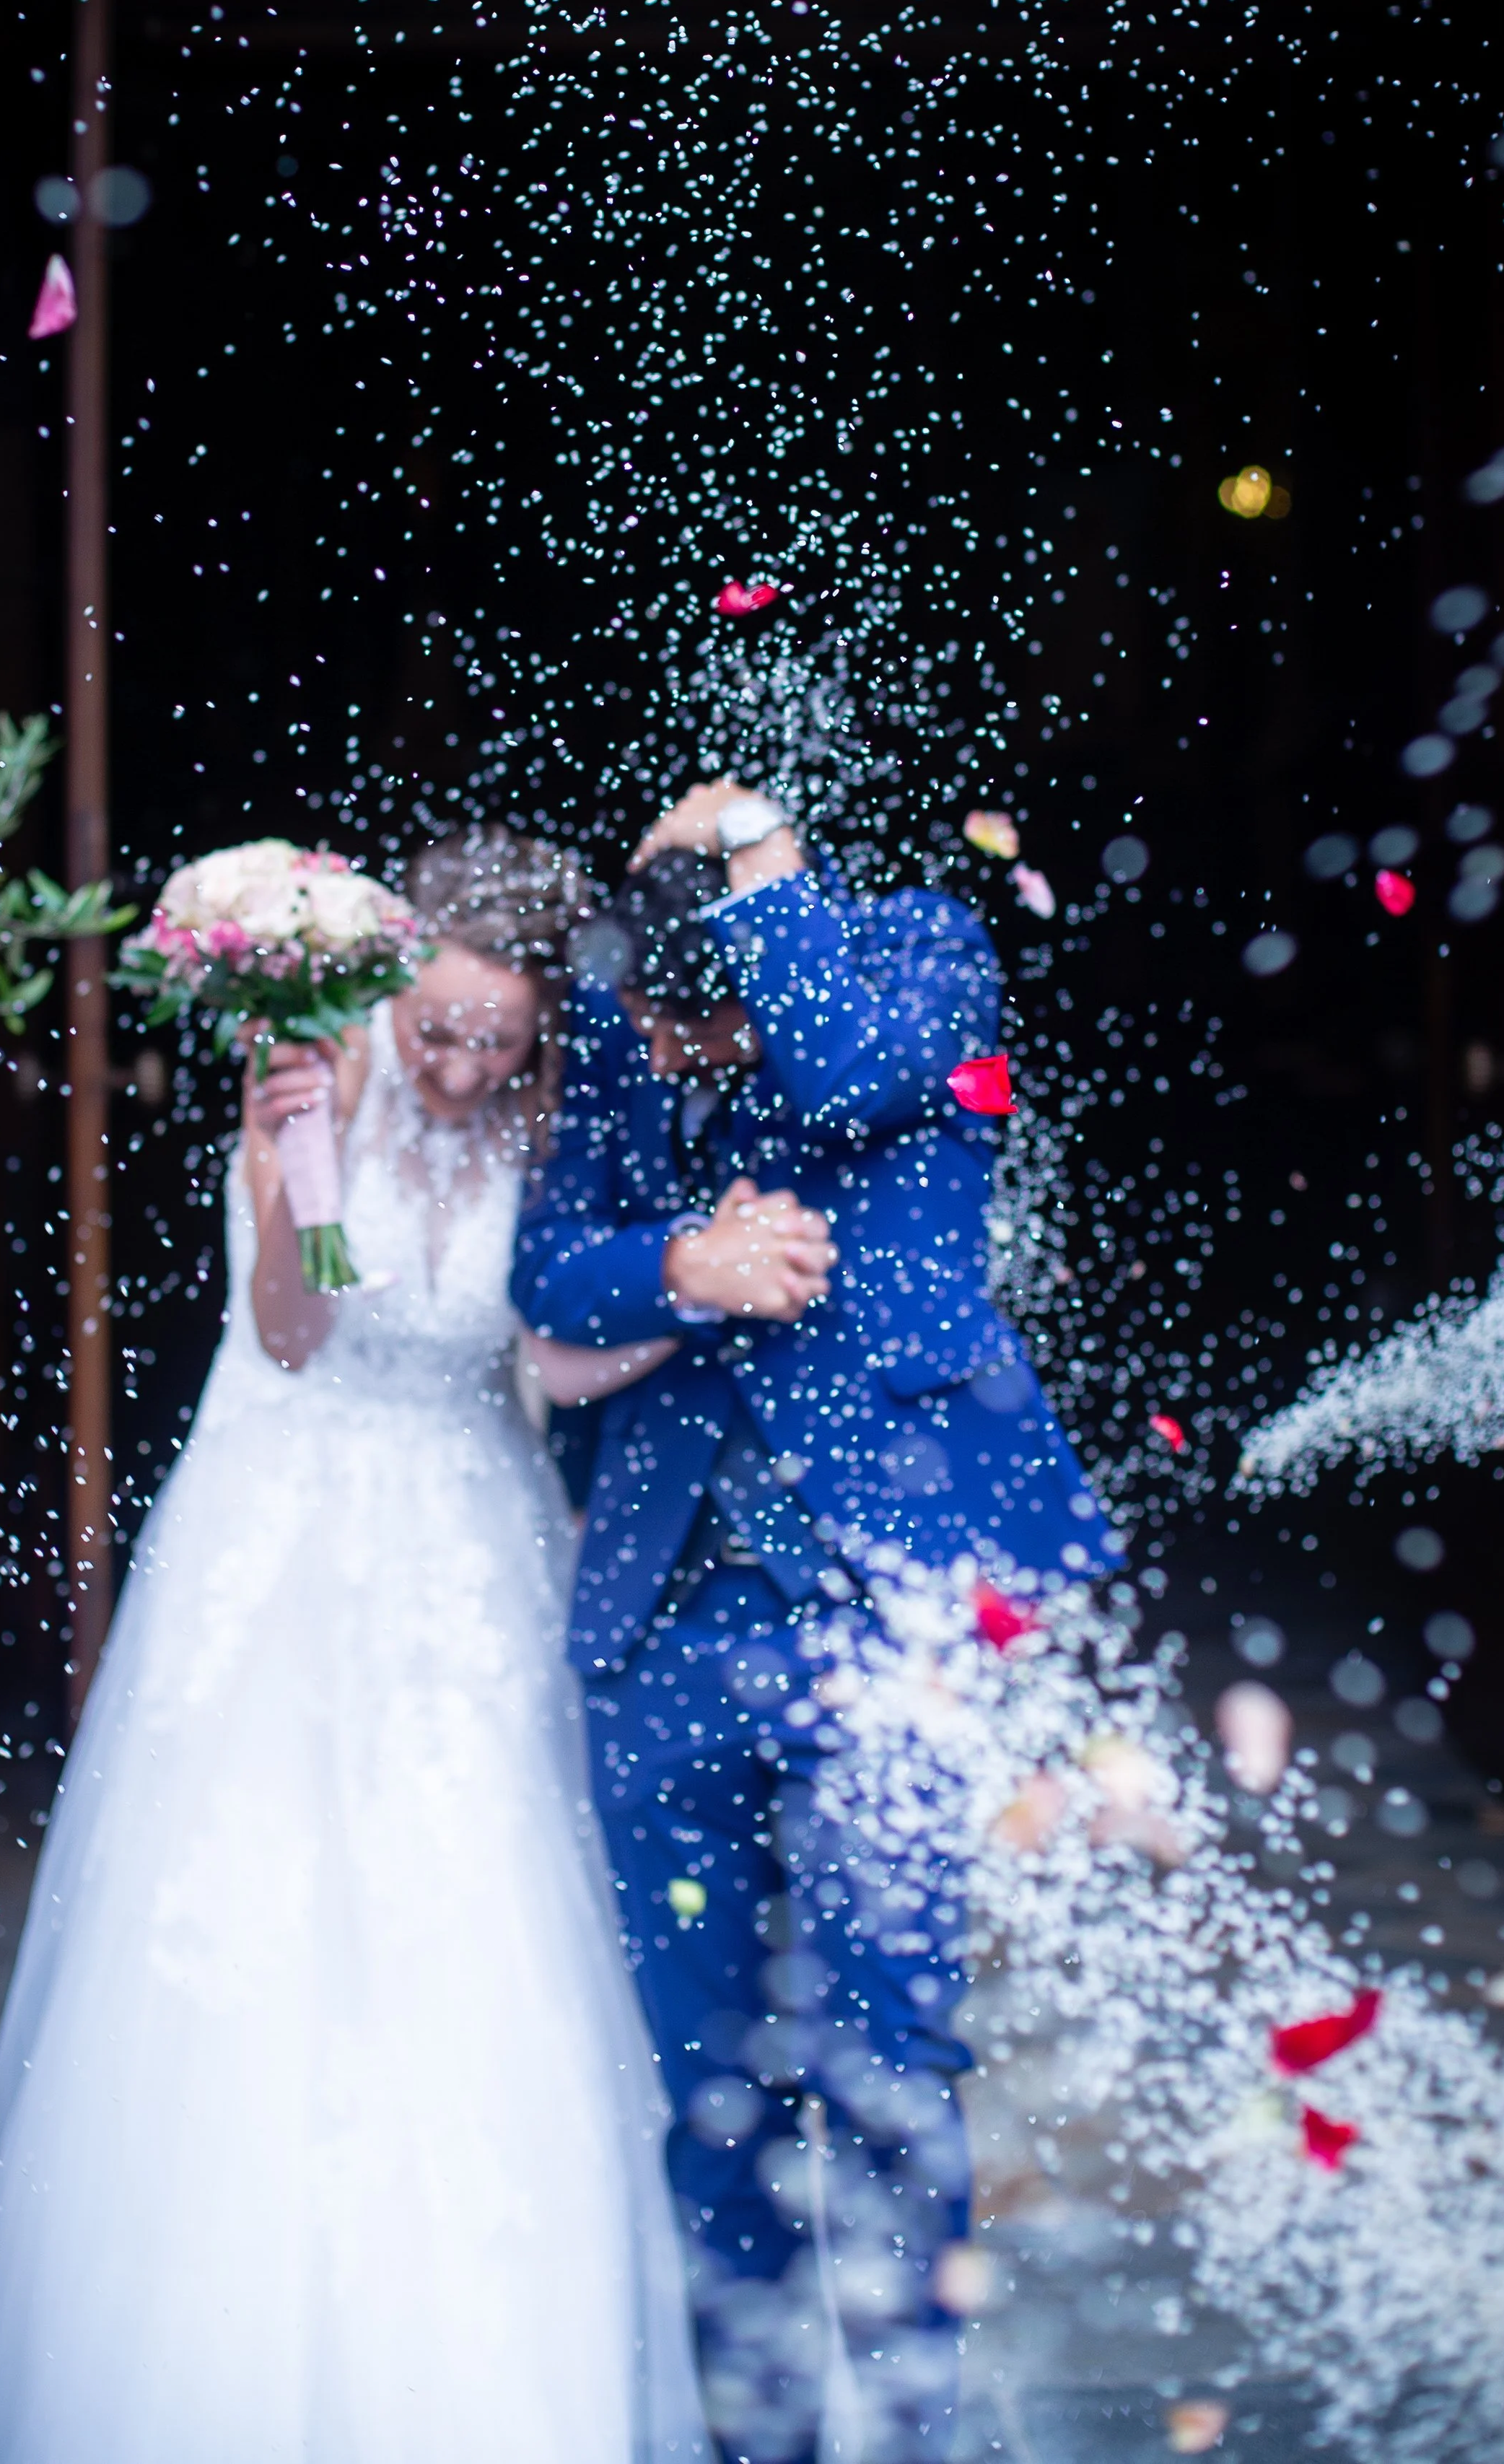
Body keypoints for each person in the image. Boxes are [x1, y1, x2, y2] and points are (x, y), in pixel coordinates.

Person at [0, 827, 711, 2464]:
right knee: (256, 1909)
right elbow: (293, 1327)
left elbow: (545, 1365)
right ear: (396, 977)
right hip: (289, 1530)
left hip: (472, 1549)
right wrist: (300, 1175)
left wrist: (696, 1300)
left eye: (502, 1037)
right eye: (443, 1028)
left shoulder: (550, 1129)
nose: (468, 1063)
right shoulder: (315, 1085)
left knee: (477, 1916)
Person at [511, 780, 1121, 2464]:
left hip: (887, 1616)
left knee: (890, 2064)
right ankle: (748, 2447)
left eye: (684, 1022)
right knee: (710, 2097)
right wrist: (676, 1271)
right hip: (667, 1629)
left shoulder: (917, 958)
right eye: (640, 1020)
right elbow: (548, 1267)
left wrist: (761, 850)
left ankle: (910, 2440)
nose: (660, 1051)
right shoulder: (629, 1017)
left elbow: (845, 1076)